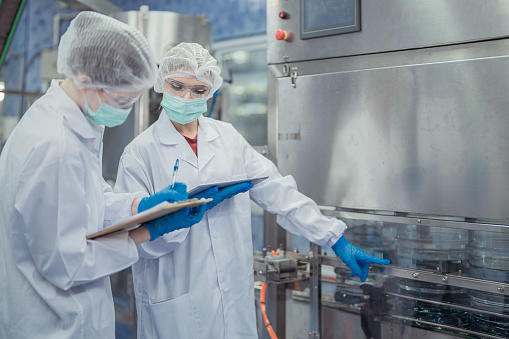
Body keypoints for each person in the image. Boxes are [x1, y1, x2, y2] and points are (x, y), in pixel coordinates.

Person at [114, 42, 390, 338]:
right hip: (175, 304)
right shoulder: (139, 153)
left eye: (198, 90)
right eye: (178, 86)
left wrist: (334, 238)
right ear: (161, 83)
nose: (186, 96)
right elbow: (134, 239)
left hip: (233, 300)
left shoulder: (228, 138)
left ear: (211, 92)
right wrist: (179, 218)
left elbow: (277, 190)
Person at [0, 13, 206, 339]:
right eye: (122, 99)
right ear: (84, 77)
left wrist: (141, 206)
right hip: (55, 325)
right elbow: (67, 265)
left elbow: (88, 202)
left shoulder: (74, 125)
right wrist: (145, 233)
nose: (124, 111)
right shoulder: (54, 145)